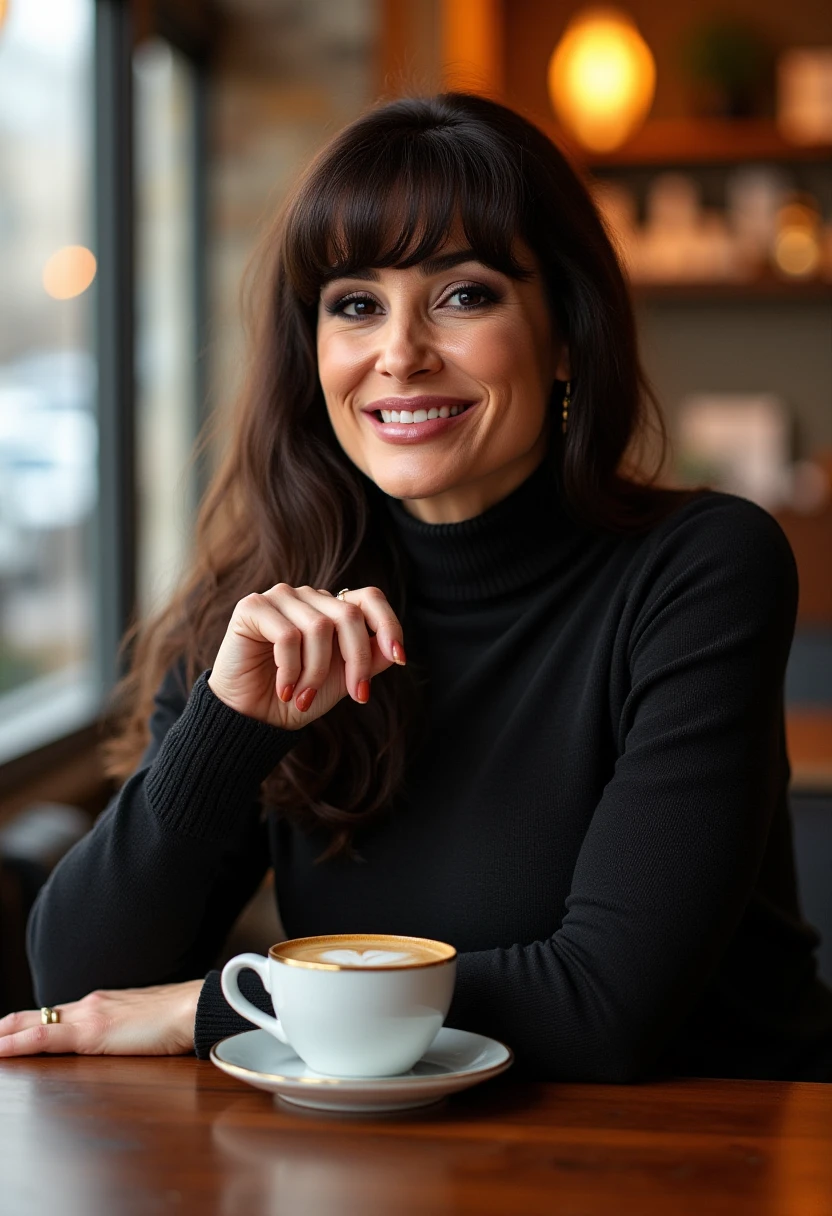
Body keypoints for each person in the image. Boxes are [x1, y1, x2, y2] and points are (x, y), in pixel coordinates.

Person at [2, 92, 831, 1081]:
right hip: (394, 1163)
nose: (399, 353)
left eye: (463, 294)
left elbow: (604, 1005)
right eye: (355, 304)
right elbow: (79, 982)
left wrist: (216, 1007)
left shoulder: (700, 567)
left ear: (564, 329)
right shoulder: (271, 604)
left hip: (700, 1153)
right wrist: (227, 729)